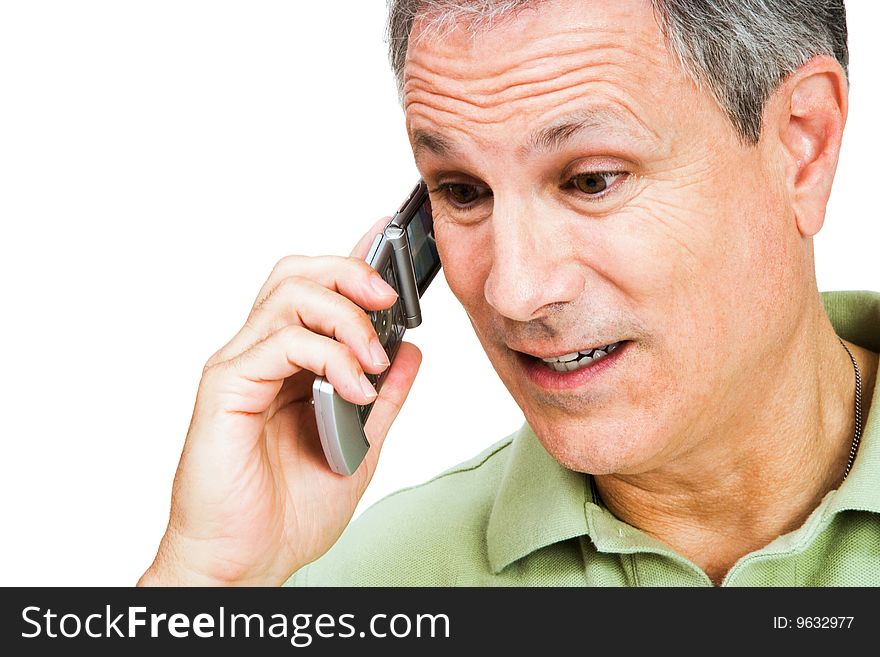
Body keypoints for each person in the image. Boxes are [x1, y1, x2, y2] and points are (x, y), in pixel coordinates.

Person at [138, 0, 880, 587]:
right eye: (461, 191)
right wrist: (207, 580)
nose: (514, 290)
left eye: (592, 179)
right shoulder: (359, 587)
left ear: (801, 143)